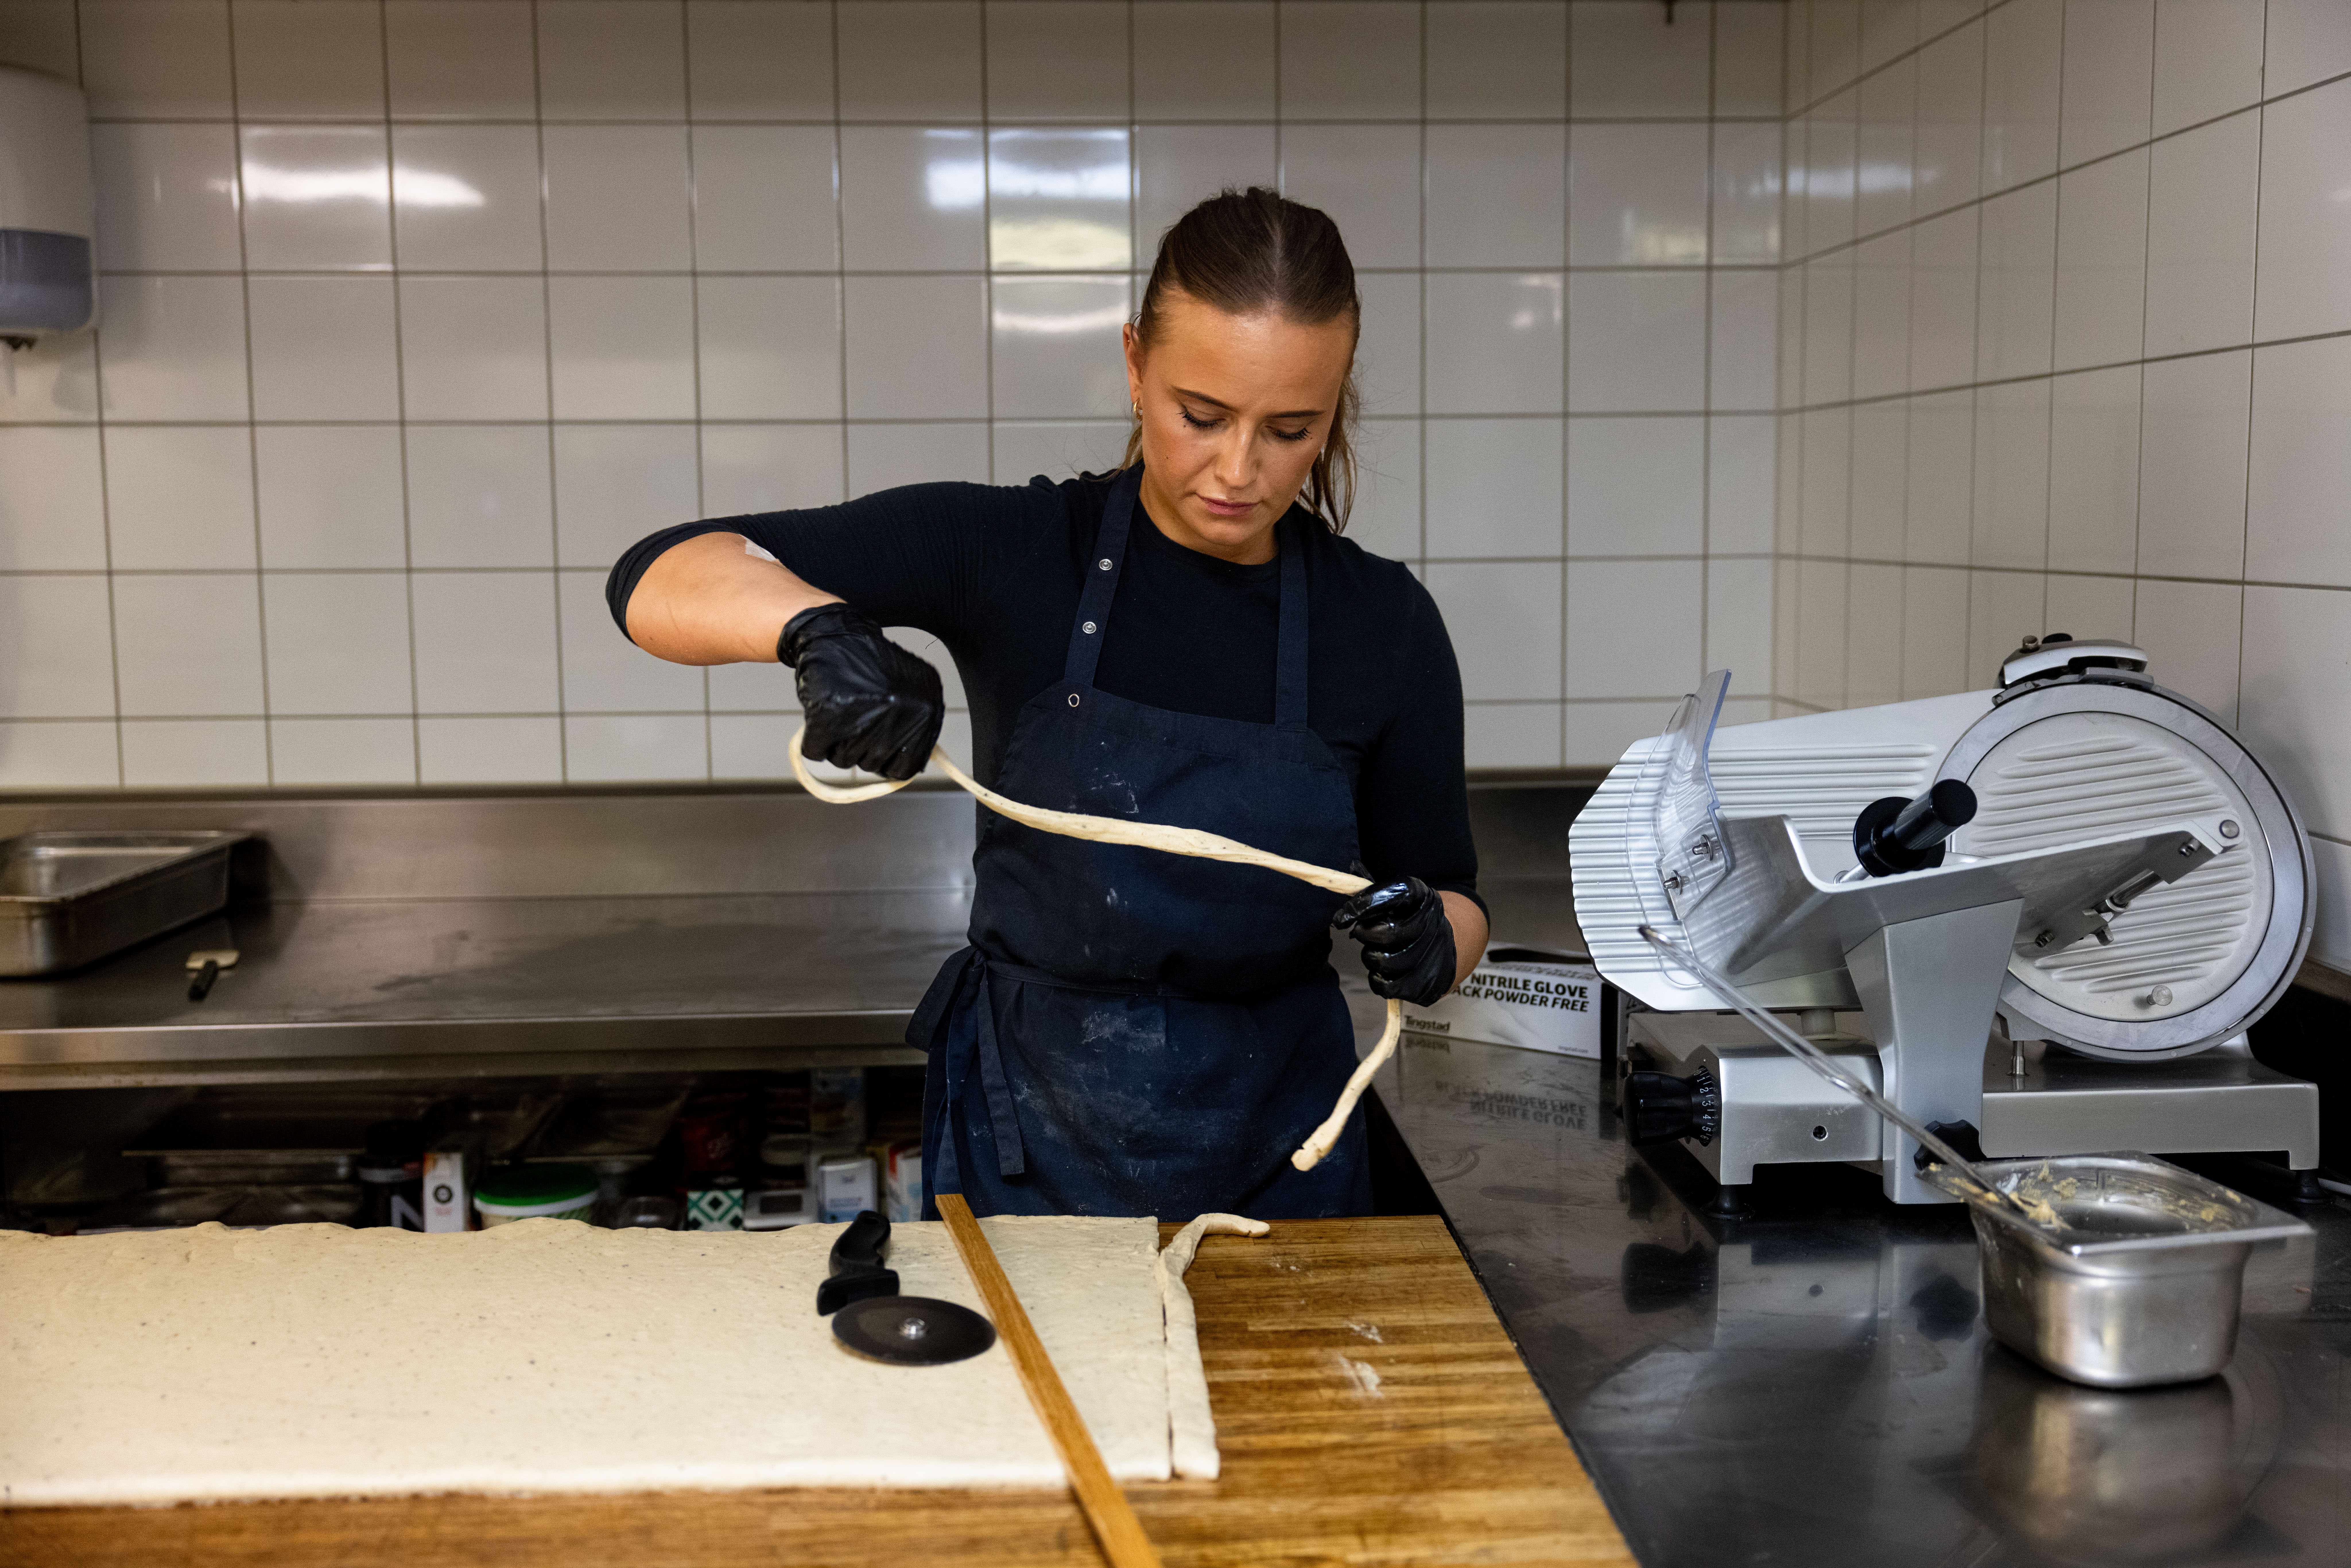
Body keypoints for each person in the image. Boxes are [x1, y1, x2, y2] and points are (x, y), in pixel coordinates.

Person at [607, 187, 1487, 1220]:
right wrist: (816, 635)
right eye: (1199, 416)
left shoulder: (1383, 623)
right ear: (1132, 366)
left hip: (1280, 1153)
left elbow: (1456, 896)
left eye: (1292, 429)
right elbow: (656, 573)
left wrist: (1436, 943)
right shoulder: (1016, 554)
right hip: (1031, 1151)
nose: (1239, 470)